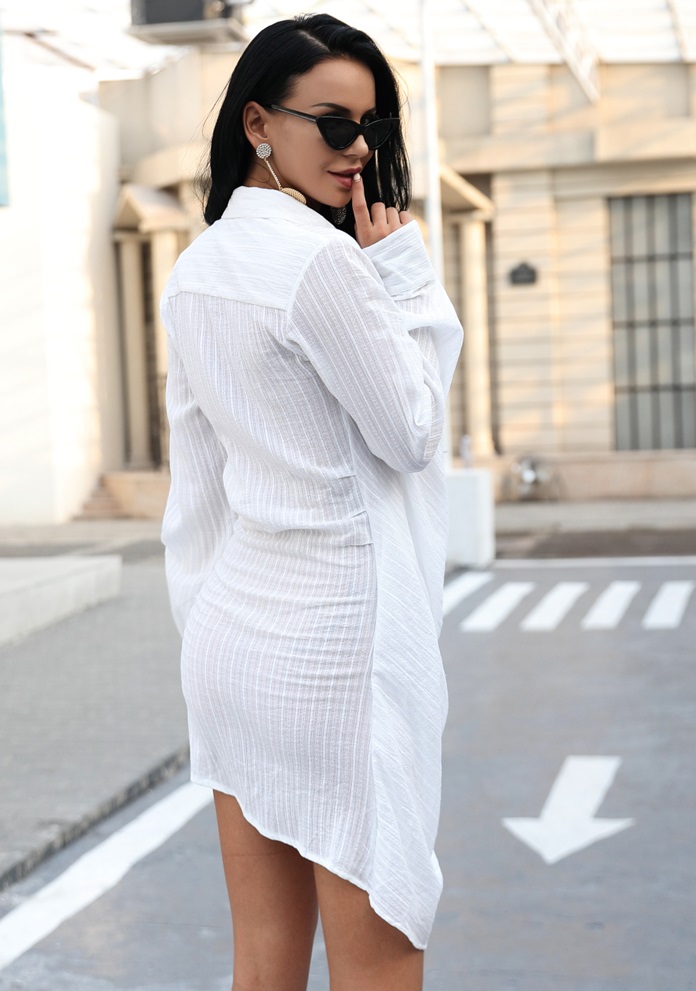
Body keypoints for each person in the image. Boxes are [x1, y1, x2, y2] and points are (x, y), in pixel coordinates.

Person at [160, 13, 463, 991]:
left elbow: (196, 493)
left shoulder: (196, 271)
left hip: (233, 645)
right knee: (380, 965)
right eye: (335, 124)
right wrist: (404, 274)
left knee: (263, 962)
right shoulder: (323, 263)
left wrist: (203, 636)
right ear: (258, 123)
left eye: (372, 126)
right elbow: (412, 432)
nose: (360, 149)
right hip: (339, 651)